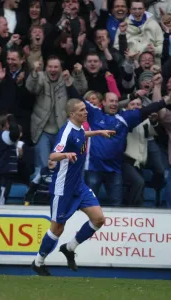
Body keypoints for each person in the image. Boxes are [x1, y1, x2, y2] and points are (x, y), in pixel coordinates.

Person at [32, 98, 115, 276]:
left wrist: (99, 132)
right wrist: (66, 155)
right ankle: (38, 262)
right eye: (81, 110)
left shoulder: (80, 128)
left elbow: (80, 136)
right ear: (72, 114)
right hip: (63, 188)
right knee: (57, 228)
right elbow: (53, 155)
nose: (86, 112)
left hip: (79, 185)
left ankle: (69, 248)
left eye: (85, 109)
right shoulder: (65, 132)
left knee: (98, 219)